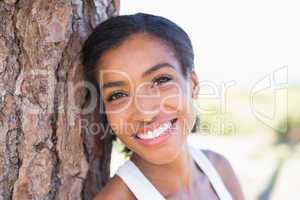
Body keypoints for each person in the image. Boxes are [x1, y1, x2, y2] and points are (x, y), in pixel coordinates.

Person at [81, 12, 244, 200]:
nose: (145, 112)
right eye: (118, 95)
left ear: (193, 84)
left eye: (161, 80)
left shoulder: (219, 168)